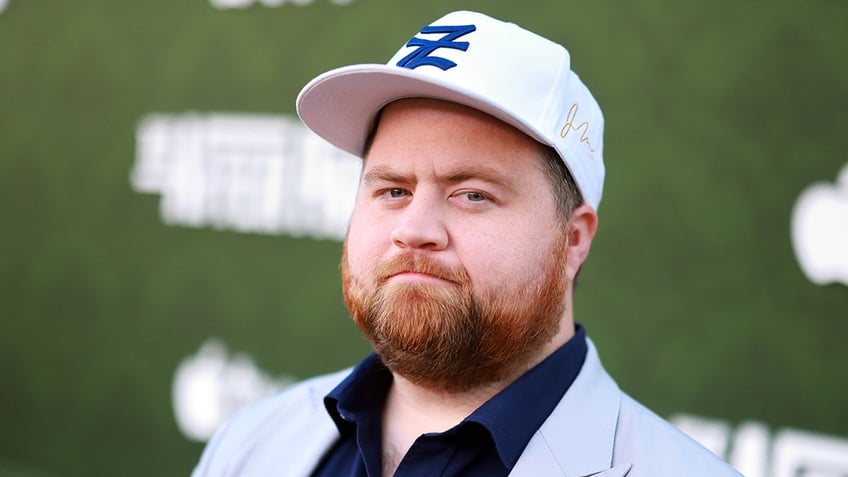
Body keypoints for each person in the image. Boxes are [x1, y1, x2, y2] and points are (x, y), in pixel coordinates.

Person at [192, 10, 742, 477]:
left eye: (473, 194)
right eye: (392, 189)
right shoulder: (251, 441)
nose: (415, 228)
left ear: (573, 240)